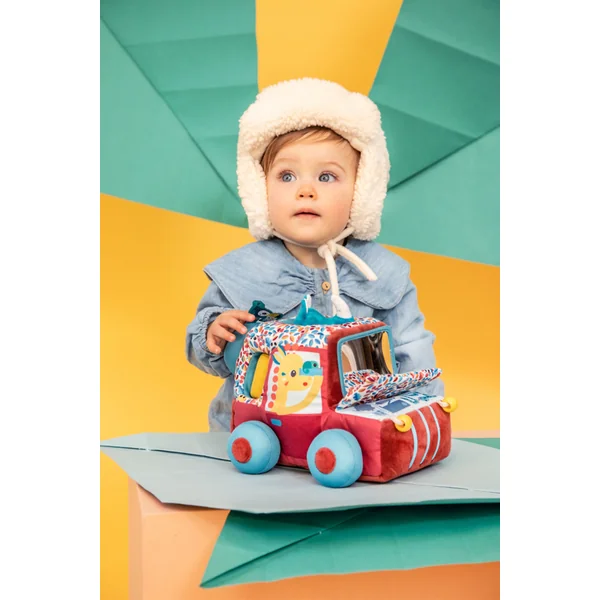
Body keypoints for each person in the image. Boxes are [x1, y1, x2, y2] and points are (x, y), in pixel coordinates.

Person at [185, 78, 443, 432]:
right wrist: (214, 334)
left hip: (354, 431)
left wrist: (425, 414)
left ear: (362, 192)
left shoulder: (381, 273)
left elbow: (413, 351)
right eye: (286, 176)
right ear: (260, 190)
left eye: (326, 177)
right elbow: (204, 350)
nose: (306, 190)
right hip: (259, 428)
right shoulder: (242, 272)